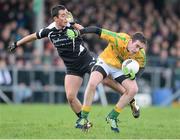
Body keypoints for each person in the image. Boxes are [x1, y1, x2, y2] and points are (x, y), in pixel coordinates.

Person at [8, 5, 140, 129]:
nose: (66, 17)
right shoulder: (49, 31)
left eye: (66, 15)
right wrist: (17, 44)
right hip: (72, 67)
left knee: (104, 80)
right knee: (70, 97)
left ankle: (129, 98)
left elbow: (83, 29)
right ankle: (85, 122)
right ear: (55, 18)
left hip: (86, 59)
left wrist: (74, 26)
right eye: (63, 16)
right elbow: (32, 36)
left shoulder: (70, 25)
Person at [67, 26, 147, 132]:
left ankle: (112, 117)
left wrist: (135, 76)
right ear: (131, 40)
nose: (137, 50)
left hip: (119, 69)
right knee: (93, 83)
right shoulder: (119, 38)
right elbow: (97, 30)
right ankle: (83, 117)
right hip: (105, 62)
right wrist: (79, 32)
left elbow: (142, 67)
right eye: (136, 46)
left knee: (133, 89)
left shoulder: (140, 54)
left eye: (140, 48)